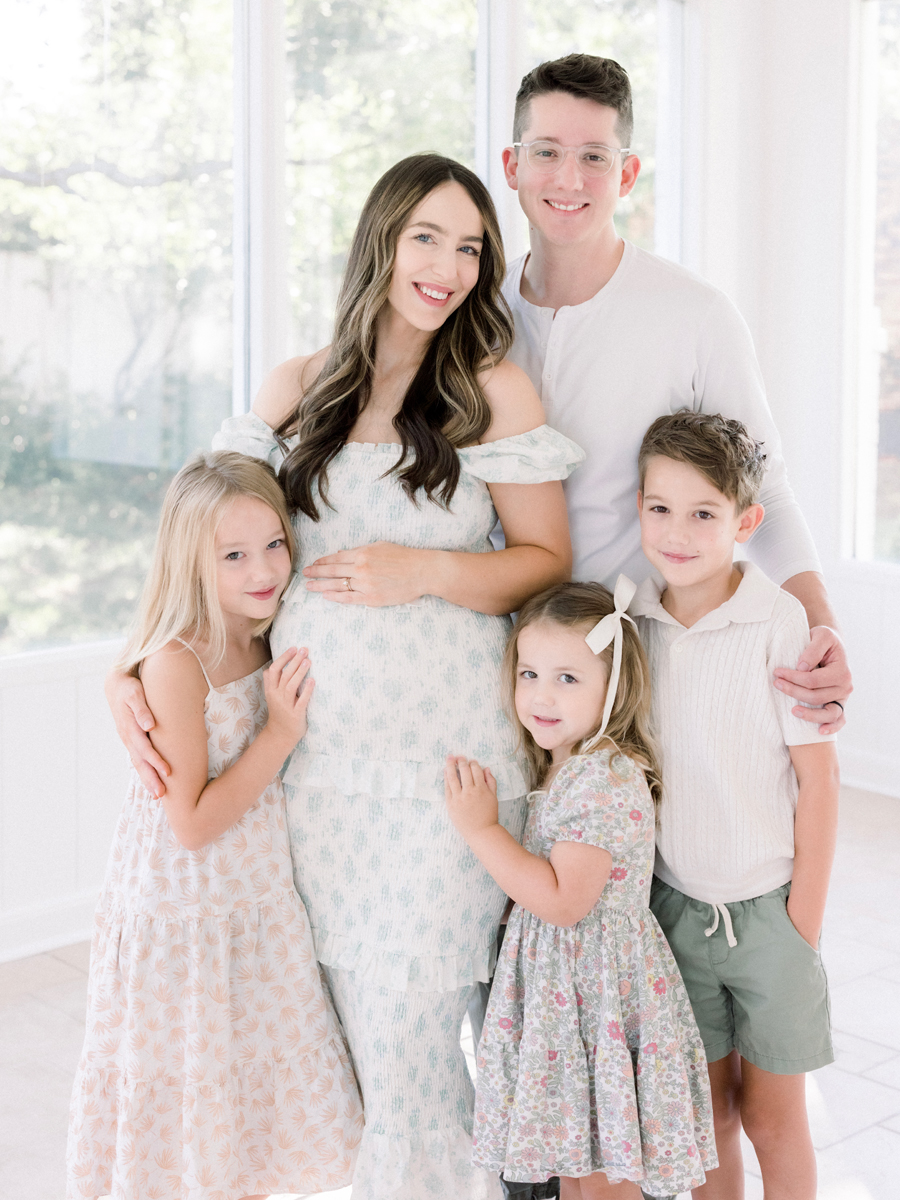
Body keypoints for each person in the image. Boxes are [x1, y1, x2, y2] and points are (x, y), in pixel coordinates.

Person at [107, 154, 583, 1198]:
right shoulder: (299, 385)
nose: (450, 267)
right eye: (428, 237)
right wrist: (132, 665)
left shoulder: (491, 391)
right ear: (380, 238)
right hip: (314, 785)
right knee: (362, 1074)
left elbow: (547, 563)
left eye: (471, 248)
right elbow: (204, 532)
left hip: (442, 776)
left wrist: (424, 569)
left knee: (415, 1068)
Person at [499, 53, 851, 736]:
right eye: (546, 151)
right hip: (504, 671)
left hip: (648, 675)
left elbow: (764, 491)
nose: (569, 179)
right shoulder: (476, 315)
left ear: (626, 174)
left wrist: (823, 625)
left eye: (595, 157)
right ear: (513, 165)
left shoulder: (695, 315)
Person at [67, 451, 363, 1200]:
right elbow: (192, 823)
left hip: (252, 900)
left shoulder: (264, 627)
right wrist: (279, 735)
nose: (262, 569)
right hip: (188, 910)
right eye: (233, 555)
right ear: (190, 560)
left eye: (273, 544)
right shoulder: (179, 661)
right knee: (196, 1117)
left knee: (245, 1125)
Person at [445, 579, 717, 1199]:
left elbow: (566, 902)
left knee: (598, 1174)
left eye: (568, 678)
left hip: (592, 997)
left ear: (612, 686)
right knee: (580, 1162)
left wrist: (481, 830)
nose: (542, 695)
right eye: (530, 673)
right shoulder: (567, 765)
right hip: (570, 994)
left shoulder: (601, 777)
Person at [632, 412, 839, 1199]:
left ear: (745, 522)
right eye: (660, 509)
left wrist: (802, 926)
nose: (677, 533)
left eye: (703, 514)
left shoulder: (778, 623)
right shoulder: (634, 620)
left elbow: (818, 781)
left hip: (770, 918)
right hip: (676, 915)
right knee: (706, 1112)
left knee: (774, 1117)